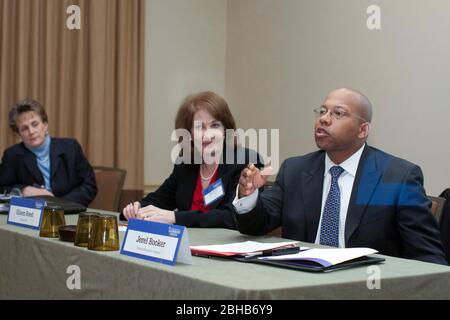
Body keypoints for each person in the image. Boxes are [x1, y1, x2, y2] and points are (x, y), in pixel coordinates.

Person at [234, 88, 447, 265]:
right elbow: (255, 227)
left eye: (338, 114)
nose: (324, 120)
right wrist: (249, 196)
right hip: (299, 283)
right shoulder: (295, 170)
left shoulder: (397, 177)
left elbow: (427, 255)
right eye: (322, 111)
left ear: (362, 130)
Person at [123, 91, 262, 228]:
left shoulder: (245, 161)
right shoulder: (186, 164)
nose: (208, 135)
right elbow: (160, 199)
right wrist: (137, 208)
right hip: (190, 245)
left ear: (226, 130)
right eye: (199, 127)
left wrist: (174, 217)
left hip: (226, 247)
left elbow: (233, 216)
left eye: (215, 125)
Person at [0, 98, 97, 207]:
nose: (31, 131)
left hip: (70, 211)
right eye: (24, 128)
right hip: (31, 214)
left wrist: (58, 205)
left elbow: (89, 186)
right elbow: (3, 188)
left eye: (35, 124)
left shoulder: (70, 147)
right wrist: (24, 190)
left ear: (45, 124)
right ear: (19, 133)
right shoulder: (12, 155)